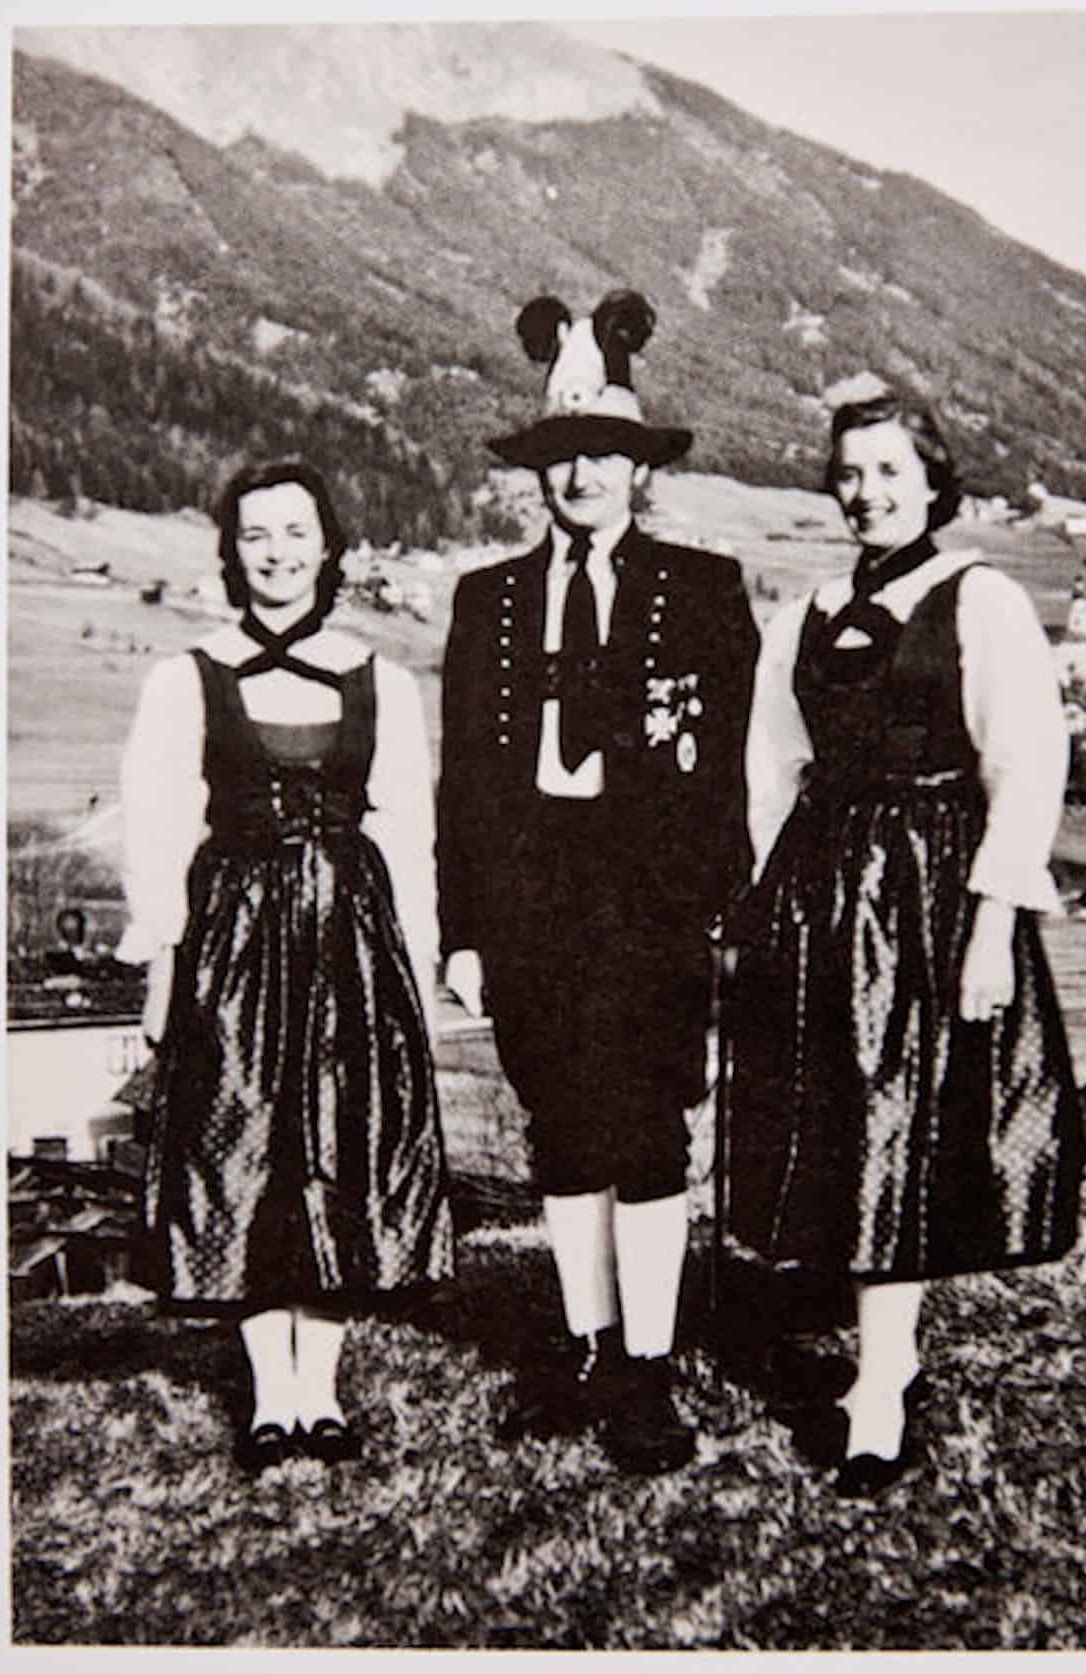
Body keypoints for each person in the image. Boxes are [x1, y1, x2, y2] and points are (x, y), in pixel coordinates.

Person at [726, 384, 1083, 1497]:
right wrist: (775, 902)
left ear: (933, 481)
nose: (867, 492)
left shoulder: (980, 601)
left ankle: (878, 1384)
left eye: (890, 471)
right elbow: (771, 768)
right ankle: (890, 1359)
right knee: (842, 1117)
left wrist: (992, 927)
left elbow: (1024, 764)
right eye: (850, 473)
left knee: (897, 1121)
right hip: (825, 892)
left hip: (930, 894)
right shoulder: (805, 614)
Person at [437, 290, 758, 1474]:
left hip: (652, 901)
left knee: (649, 1128)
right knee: (563, 1127)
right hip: (531, 897)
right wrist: (464, 929)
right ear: (539, 471)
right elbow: (463, 783)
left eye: (605, 455)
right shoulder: (488, 601)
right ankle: (587, 1347)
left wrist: (719, 906)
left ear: (639, 468)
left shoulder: (705, 590)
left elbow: (728, 770)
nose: (582, 477)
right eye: (563, 456)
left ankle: (650, 1369)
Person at [116, 459, 453, 1472]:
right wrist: (161, 969)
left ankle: (323, 1389)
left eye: (296, 532)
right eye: (256, 534)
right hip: (235, 946)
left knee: (337, 1147)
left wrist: (417, 963)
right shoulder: (188, 679)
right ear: (232, 550)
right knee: (246, 1151)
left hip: (350, 941)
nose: (277, 553)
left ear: (329, 546)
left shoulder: (381, 679)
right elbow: (160, 828)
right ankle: (273, 1395)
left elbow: (408, 834)